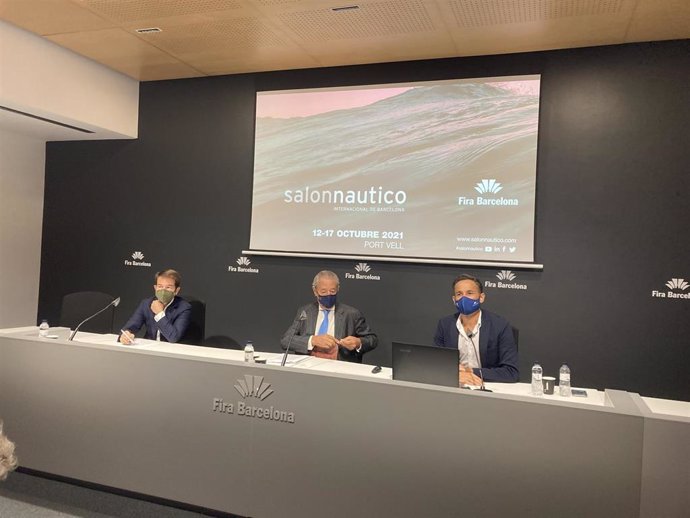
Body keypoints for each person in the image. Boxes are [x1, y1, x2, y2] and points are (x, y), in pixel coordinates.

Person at [434, 274, 518, 385]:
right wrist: (456, 375)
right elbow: (435, 364)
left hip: (486, 386)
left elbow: (511, 372)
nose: (464, 298)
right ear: (454, 300)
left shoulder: (500, 325)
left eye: (470, 293)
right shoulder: (445, 324)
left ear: (481, 297)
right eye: (459, 294)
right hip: (455, 385)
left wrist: (470, 372)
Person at [281, 270, 378, 362]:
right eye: (323, 292)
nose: (328, 295)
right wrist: (313, 340)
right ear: (315, 291)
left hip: (339, 368)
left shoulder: (352, 314)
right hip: (308, 367)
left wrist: (358, 342)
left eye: (332, 291)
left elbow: (372, 340)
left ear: (338, 289)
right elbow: (286, 340)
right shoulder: (305, 311)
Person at [119, 269, 191, 344]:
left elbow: (173, 337)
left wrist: (159, 313)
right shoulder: (146, 303)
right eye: (160, 286)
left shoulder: (184, 308)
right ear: (155, 288)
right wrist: (126, 334)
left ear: (176, 290)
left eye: (168, 287)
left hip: (171, 351)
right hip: (149, 348)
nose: (163, 291)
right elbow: (131, 326)